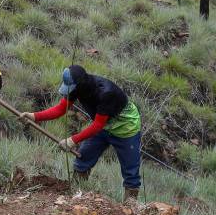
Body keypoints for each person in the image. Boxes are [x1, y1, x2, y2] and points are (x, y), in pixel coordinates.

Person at [21, 65, 142, 201]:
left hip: (126, 128)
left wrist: (72, 140)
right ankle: (77, 195)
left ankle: (130, 208)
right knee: (83, 159)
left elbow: (97, 125)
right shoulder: (76, 88)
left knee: (130, 172)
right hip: (103, 125)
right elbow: (61, 109)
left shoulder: (106, 93)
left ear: (81, 84)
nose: (70, 91)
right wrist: (34, 116)